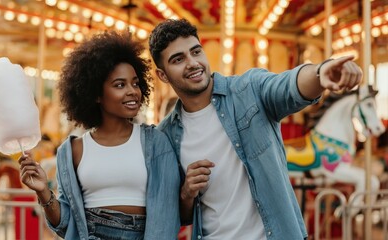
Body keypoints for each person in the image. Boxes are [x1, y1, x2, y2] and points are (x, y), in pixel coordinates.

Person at [149, 19, 362, 240]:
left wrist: (320, 72)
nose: (192, 63)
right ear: (163, 75)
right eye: (178, 59)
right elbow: (179, 215)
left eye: (196, 52)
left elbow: (287, 86)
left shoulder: (248, 90)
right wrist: (186, 193)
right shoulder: (166, 135)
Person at [19, 31, 180, 239]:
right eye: (120, 85)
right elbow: (66, 225)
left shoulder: (156, 143)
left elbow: (167, 216)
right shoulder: (72, 151)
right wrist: (43, 192)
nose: (132, 91)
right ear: (95, 94)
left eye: (135, 83)